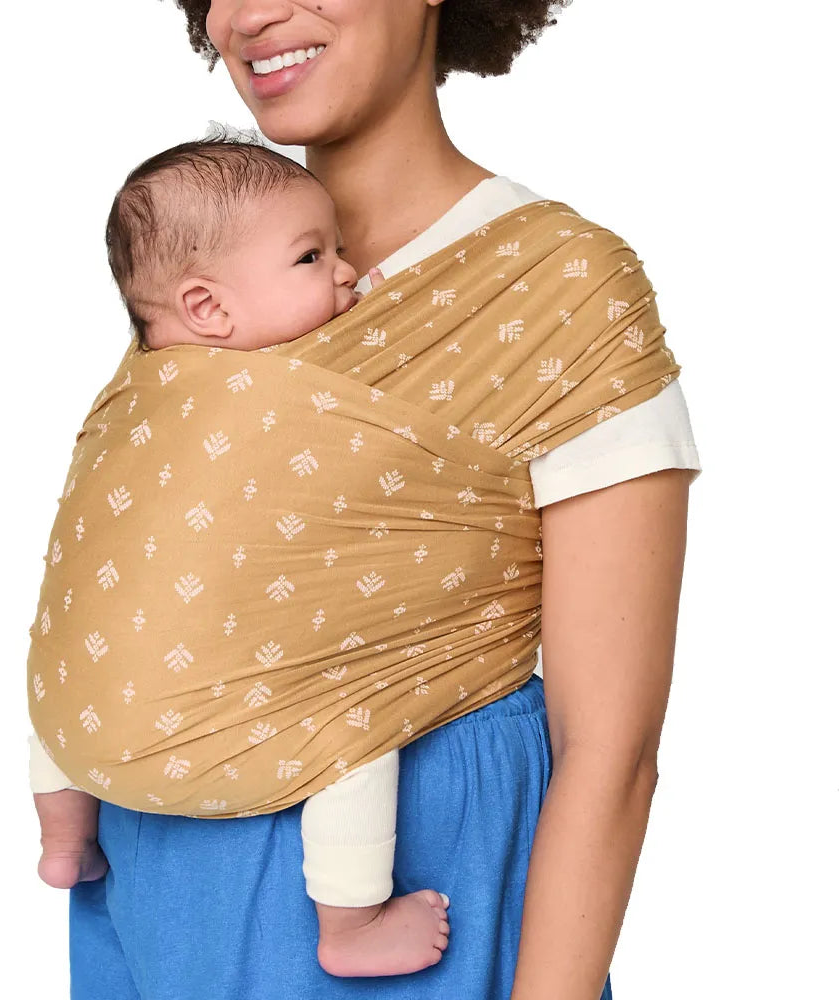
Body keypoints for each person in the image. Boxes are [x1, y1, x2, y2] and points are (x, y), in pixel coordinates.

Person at [65, 2, 702, 997]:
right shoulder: (203, 272)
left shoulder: (558, 291)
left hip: (417, 898)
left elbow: (609, 752)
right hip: (155, 896)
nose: (252, 13)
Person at [31, 136, 452, 978]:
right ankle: (351, 925)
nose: (348, 272)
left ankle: (65, 838)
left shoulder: (135, 392)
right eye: (311, 256)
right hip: (211, 711)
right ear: (209, 309)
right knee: (357, 720)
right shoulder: (277, 390)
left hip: (91, 728)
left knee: (70, 663)